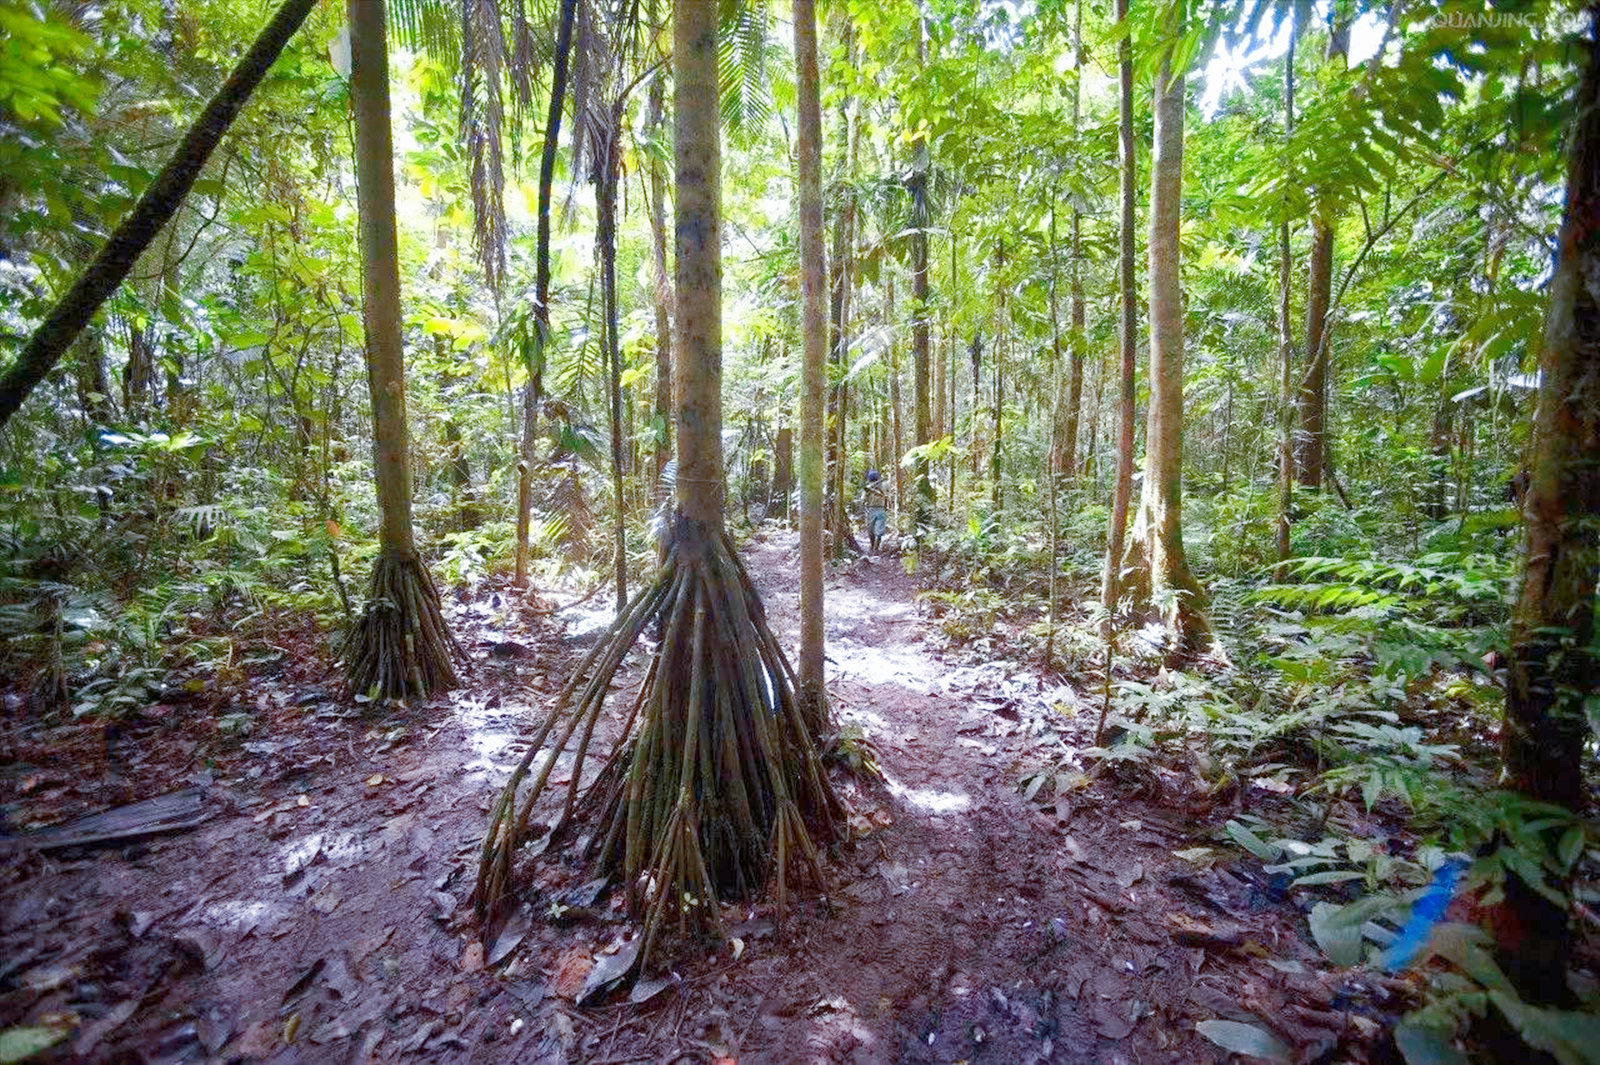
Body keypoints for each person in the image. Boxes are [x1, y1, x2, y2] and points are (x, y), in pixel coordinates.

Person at [862, 470, 888, 554]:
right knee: (870, 531)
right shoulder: (868, 488)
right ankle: (872, 546)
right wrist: (867, 491)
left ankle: (876, 549)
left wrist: (873, 490)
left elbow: (884, 495)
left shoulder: (883, 486)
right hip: (871, 509)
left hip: (881, 509)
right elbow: (863, 499)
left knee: (879, 531)